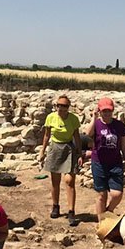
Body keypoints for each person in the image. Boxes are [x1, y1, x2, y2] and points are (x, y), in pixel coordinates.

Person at [38, 94, 83, 227]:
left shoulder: (73, 119)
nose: (62, 109)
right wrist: (42, 151)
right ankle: (55, 206)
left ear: (68, 107)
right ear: (56, 106)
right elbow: (46, 135)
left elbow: (77, 136)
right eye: (59, 106)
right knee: (55, 180)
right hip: (55, 148)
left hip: (69, 148)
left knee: (69, 181)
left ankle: (71, 211)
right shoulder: (50, 117)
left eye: (65, 106)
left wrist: (79, 153)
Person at [87, 97, 125, 218]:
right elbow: (88, 134)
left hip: (115, 163)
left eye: (109, 111)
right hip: (99, 163)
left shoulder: (119, 126)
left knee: (117, 194)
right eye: (104, 111)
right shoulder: (96, 124)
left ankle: (108, 211)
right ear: (100, 111)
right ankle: (102, 224)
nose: (107, 113)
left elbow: (124, 147)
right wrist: (94, 117)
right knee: (101, 195)